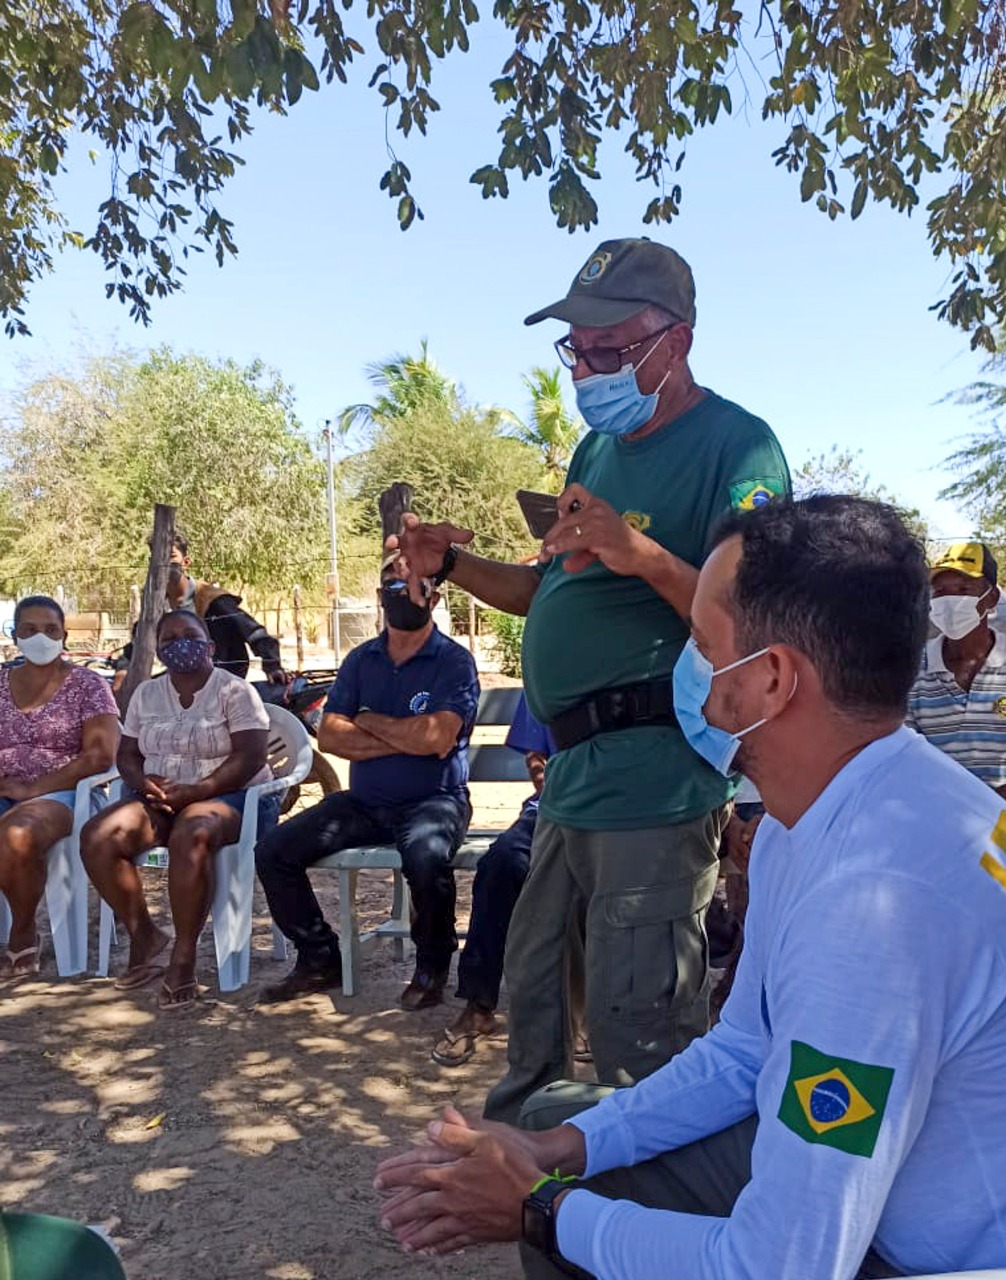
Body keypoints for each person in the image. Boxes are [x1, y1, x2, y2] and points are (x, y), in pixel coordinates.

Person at [375, 495, 1006, 1280]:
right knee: (551, 1122)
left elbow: (783, 1268)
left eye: (702, 645)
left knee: (566, 1215)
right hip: (878, 1188)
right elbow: (743, 1051)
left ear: (773, 679)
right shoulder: (815, 817)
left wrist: (540, 1209)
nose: (691, 671)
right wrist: (554, 1153)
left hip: (916, 1255)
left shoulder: (874, 904)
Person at [391, 237, 791, 1121]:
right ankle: (538, 1174)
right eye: (577, 350)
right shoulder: (595, 452)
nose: (587, 370)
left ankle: (646, 1209)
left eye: (610, 351)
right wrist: (452, 561)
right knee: (535, 986)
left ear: (674, 344)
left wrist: (639, 552)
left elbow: (756, 621)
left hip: (654, 773)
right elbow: (546, 591)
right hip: (571, 775)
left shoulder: (741, 446)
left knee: (637, 1016)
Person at [255, 569, 480, 1009]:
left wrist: (370, 719)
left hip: (435, 801)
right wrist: (406, 739)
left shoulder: (453, 661)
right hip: (365, 804)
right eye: (393, 587)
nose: (403, 594)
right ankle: (320, 955)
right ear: (380, 596)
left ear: (433, 597)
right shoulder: (362, 659)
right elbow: (332, 737)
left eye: (413, 585)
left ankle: (432, 964)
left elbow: (436, 739)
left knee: (426, 856)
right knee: (273, 851)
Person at [81, 609, 277, 1008]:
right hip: (162, 797)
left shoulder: (235, 691)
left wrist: (197, 791)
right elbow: (129, 754)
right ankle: (146, 935)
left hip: (235, 796)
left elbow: (251, 757)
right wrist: (144, 784)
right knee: (98, 836)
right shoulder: (146, 694)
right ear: (158, 650)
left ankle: (184, 955)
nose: (178, 645)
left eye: (188, 636)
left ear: (209, 645)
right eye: (167, 640)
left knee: (193, 829)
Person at [0, 595, 119, 979]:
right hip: (5, 785)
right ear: (14, 635)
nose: (40, 637)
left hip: (67, 793)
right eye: (30, 629)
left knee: (18, 833)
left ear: (64, 636)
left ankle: (21, 930)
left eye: (50, 630)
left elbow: (100, 756)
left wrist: (32, 789)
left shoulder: (89, 684)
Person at [432, 694, 554, 1067]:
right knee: (499, 866)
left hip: (616, 815)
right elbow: (536, 759)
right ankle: (478, 1004)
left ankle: (579, 1009)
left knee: (597, 870)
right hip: (551, 808)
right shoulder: (548, 671)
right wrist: (548, 782)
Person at [114, 533, 287, 687]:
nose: (164, 563)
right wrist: (123, 670)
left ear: (186, 562)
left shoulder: (213, 600)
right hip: (179, 681)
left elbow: (253, 632)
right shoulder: (156, 608)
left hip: (223, 681)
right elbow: (138, 645)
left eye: (171, 557)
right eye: (158, 558)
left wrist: (273, 666)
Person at [906, 540, 1006, 794]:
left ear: (991, 597)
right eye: (940, 592)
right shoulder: (912, 671)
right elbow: (907, 755)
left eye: (963, 589)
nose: (950, 600)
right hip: (942, 811)